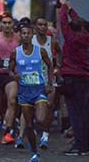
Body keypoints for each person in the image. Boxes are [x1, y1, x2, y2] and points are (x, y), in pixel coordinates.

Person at [9, 23, 53, 162]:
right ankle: (34, 153)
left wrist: (49, 83)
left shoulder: (40, 51)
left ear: (32, 35)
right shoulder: (16, 52)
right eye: (23, 33)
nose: (26, 36)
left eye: (28, 33)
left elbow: (50, 64)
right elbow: (10, 70)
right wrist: (13, 76)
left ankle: (45, 133)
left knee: (40, 119)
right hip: (24, 91)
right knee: (28, 125)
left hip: (38, 88)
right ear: (20, 36)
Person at [57, 0, 89, 156]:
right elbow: (77, 21)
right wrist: (70, 8)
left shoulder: (70, 37)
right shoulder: (86, 36)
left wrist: (64, 6)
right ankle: (84, 146)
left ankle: (79, 146)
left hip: (72, 79)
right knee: (84, 114)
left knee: (76, 115)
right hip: (85, 80)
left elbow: (63, 21)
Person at [0, 12, 20, 144]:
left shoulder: (18, 39)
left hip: (10, 75)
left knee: (12, 101)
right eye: (4, 23)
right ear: (1, 24)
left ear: (13, 24)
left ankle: (7, 132)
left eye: (9, 23)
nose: (6, 25)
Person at [32, 17, 61, 149]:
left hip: (48, 79)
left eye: (45, 25)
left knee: (49, 105)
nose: (43, 27)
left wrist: (58, 66)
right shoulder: (30, 40)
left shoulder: (52, 41)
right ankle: (29, 130)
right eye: (40, 25)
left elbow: (60, 52)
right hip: (32, 80)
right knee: (31, 107)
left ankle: (45, 135)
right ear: (35, 26)